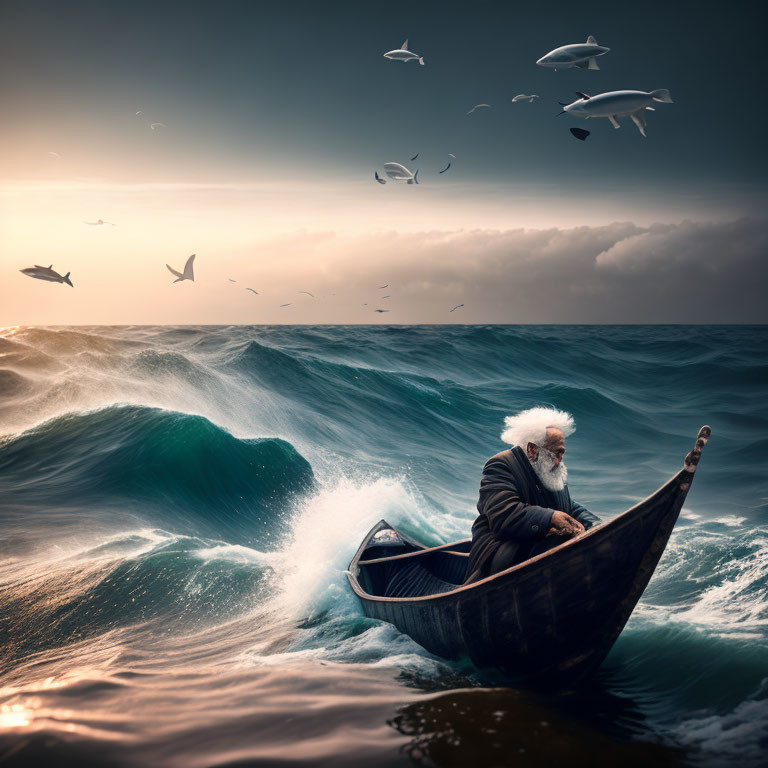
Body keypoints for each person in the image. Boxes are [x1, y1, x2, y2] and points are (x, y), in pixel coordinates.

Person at [464, 406, 599, 584]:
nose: (559, 461)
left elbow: (568, 506)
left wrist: (595, 525)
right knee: (560, 545)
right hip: (498, 553)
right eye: (556, 453)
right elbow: (504, 515)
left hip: (537, 550)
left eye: (562, 454)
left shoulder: (551, 471)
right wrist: (550, 518)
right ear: (532, 450)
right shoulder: (500, 465)